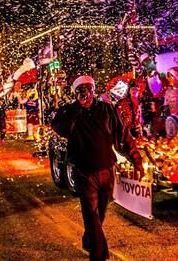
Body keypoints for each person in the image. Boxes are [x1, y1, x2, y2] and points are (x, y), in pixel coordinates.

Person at [51, 75, 144, 261]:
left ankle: (89, 239)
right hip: (84, 173)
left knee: (99, 214)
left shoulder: (107, 109)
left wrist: (137, 160)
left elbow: (123, 136)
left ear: (94, 90)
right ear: (75, 93)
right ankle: (99, 255)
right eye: (81, 91)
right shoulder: (69, 112)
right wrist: (77, 107)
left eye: (89, 89)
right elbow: (60, 128)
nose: (85, 94)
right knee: (91, 215)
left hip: (106, 170)